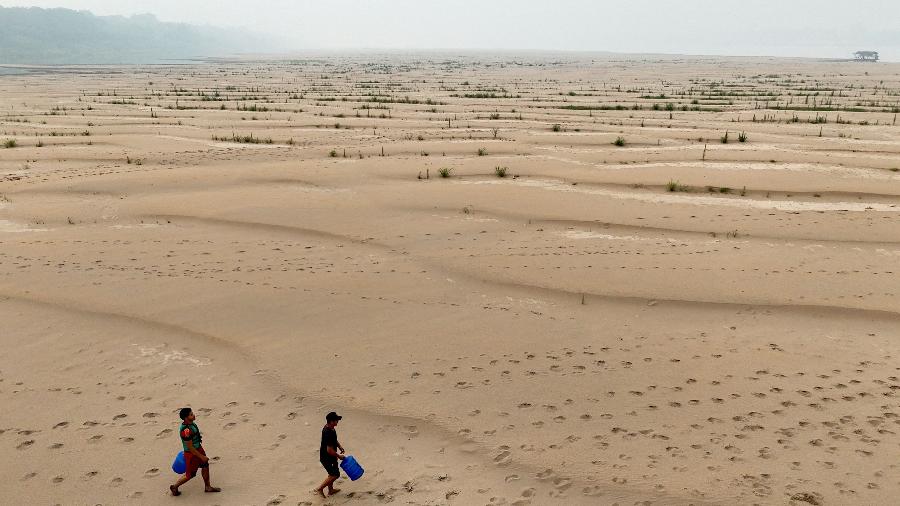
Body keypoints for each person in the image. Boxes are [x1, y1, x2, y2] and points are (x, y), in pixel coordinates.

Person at [170, 407, 221, 496]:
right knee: (190, 474)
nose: (193, 415)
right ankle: (175, 486)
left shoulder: (191, 424)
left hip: (198, 449)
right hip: (192, 454)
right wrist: (201, 456)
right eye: (191, 414)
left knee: (205, 464)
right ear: (186, 418)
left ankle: (207, 487)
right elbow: (190, 447)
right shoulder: (186, 431)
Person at [315, 411, 346, 498]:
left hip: (331, 456)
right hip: (326, 457)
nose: (338, 421)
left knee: (332, 473)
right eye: (336, 420)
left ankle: (331, 490)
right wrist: (339, 456)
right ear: (331, 421)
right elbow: (329, 450)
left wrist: (339, 446)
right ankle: (320, 489)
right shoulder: (327, 432)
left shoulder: (331, 428)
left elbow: (334, 440)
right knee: (335, 475)